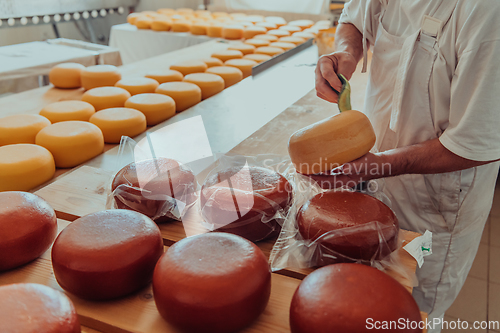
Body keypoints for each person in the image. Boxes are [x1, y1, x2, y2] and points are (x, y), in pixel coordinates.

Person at [312, 0, 500, 332]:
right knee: (368, 296)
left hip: (436, 203)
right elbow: (356, 19)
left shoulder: (487, 13)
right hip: (375, 177)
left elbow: (475, 144)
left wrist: (379, 165)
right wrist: (347, 54)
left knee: (414, 309)